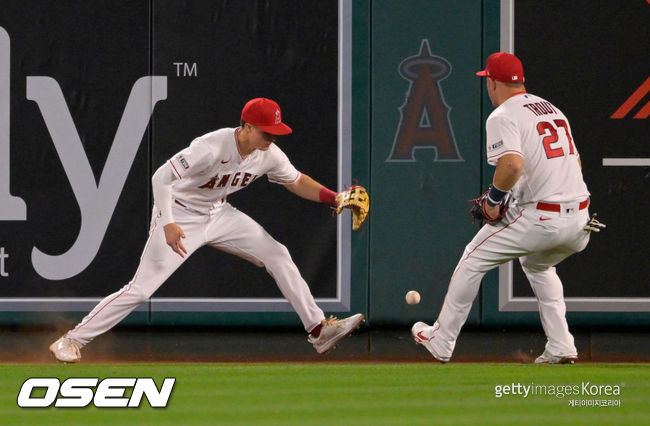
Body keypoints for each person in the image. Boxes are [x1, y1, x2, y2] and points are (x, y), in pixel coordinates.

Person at [50, 97, 364, 363]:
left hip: (218, 213)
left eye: (275, 132)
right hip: (179, 215)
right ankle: (71, 339)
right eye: (266, 132)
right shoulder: (211, 147)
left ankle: (319, 330)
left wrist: (334, 198)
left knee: (277, 253)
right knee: (141, 289)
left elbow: (295, 179)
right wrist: (168, 221)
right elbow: (161, 178)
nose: (272, 138)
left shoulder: (268, 154)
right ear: (247, 127)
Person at [412, 52, 594, 364]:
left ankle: (441, 339)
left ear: (493, 83)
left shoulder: (503, 115)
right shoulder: (551, 109)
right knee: (538, 265)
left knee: (472, 259)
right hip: (581, 220)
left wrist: (494, 201)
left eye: (488, 81)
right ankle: (562, 345)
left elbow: (511, 165)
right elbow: (573, 162)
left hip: (543, 218)